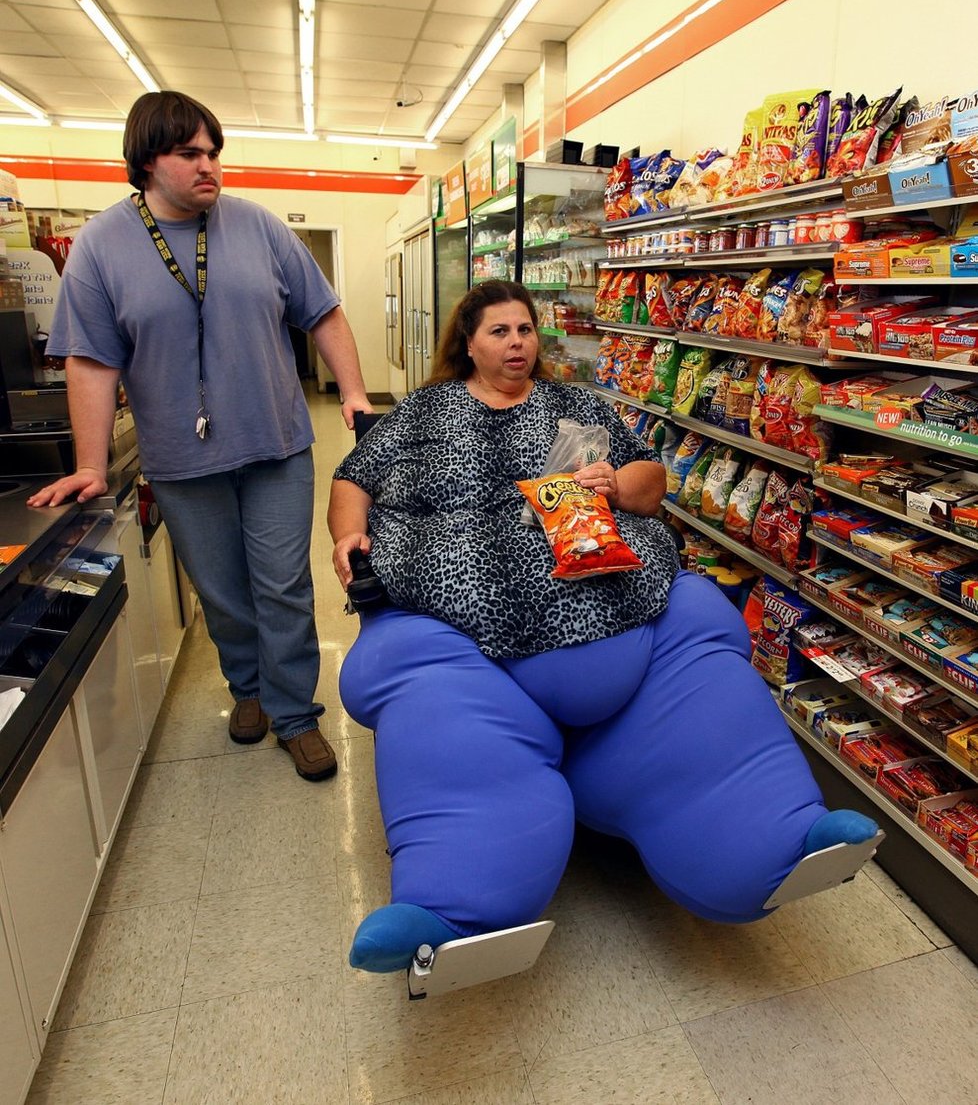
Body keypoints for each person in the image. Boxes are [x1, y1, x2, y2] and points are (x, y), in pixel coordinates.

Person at [327, 279, 879, 973]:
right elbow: (354, 478)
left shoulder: (579, 406)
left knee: (700, 667)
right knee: (443, 715)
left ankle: (783, 832)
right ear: (467, 343)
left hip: (627, 604)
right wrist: (348, 536)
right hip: (468, 633)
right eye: (499, 331)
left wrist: (615, 485)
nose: (516, 342)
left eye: (525, 329)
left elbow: (652, 483)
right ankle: (450, 906)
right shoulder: (423, 412)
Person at [28, 90, 373, 781]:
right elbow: (90, 360)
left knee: (281, 586)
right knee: (221, 591)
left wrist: (356, 393)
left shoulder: (260, 228)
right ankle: (247, 688)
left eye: (214, 152)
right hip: (182, 460)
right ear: (147, 160)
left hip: (276, 444)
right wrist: (92, 463)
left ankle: (295, 714)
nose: (209, 165)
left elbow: (324, 314)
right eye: (190, 153)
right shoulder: (100, 247)